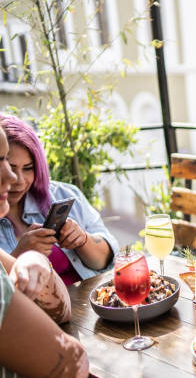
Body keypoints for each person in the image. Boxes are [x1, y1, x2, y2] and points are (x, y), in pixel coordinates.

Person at [0, 125, 90, 378]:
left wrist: (34, 262)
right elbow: (74, 364)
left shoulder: (60, 194)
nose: (12, 176)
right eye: (2, 161)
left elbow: (109, 253)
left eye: (27, 167)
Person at [0, 114, 119, 286]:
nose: (18, 180)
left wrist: (83, 240)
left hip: (90, 303)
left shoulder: (62, 194)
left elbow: (108, 259)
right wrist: (19, 255)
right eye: (10, 167)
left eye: (28, 168)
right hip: (39, 312)